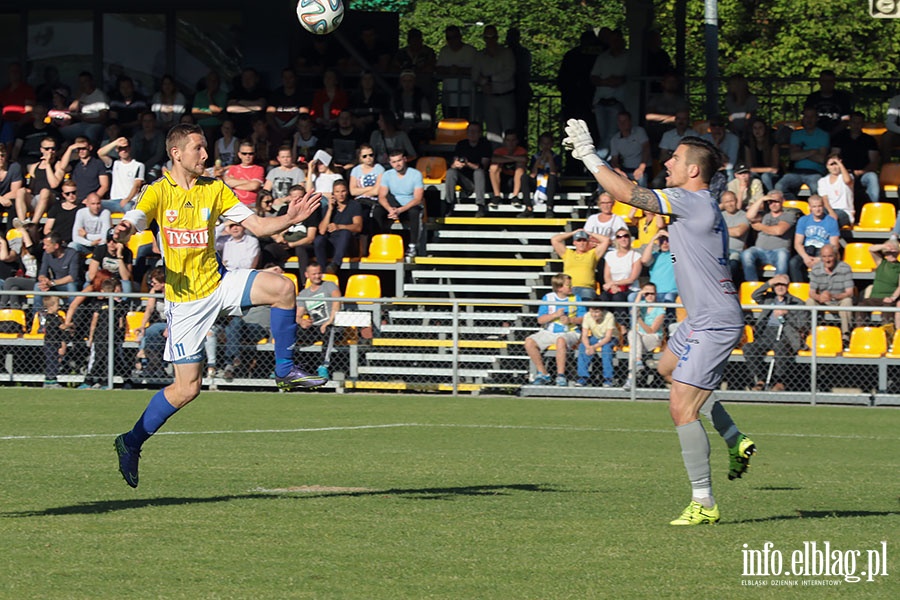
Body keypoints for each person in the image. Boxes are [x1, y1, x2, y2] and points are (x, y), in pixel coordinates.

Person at [112, 122, 327, 489]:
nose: (206, 155)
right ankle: (130, 442)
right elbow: (136, 216)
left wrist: (290, 218)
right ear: (177, 153)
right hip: (186, 303)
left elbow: (257, 225)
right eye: (198, 148)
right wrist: (124, 229)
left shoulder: (215, 189)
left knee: (283, 287)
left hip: (220, 282)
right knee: (186, 390)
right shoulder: (158, 192)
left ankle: (285, 369)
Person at [564, 119, 756, 524]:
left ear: (693, 171)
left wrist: (588, 156)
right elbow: (630, 188)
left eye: (676, 157)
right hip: (700, 318)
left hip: (714, 321)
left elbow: (625, 194)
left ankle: (704, 503)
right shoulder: (699, 202)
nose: (668, 161)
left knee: (681, 410)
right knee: (667, 369)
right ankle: (734, 437)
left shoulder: (691, 200)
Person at [743, 274, 806, 392]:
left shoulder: (797, 303)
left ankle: (779, 380)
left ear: (787, 286)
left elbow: (801, 325)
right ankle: (761, 379)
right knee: (749, 348)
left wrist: (788, 314)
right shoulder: (768, 299)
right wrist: (769, 282)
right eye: (777, 284)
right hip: (766, 333)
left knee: (780, 347)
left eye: (782, 284)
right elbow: (754, 295)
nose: (780, 287)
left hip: (786, 334)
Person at [524, 273, 585, 387]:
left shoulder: (576, 298)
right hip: (549, 332)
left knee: (561, 340)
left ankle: (560, 375)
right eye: (568, 285)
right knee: (529, 342)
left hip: (570, 332)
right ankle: (543, 373)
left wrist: (570, 319)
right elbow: (541, 320)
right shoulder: (548, 298)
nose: (571, 287)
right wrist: (555, 315)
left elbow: (583, 319)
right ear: (559, 288)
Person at [374, 149, 424, 259]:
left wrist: (400, 210)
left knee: (414, 212)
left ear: (405, 160)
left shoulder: (416, 174)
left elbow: (417, 199)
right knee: (377, 211)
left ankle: (412, 246)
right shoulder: (387, 175)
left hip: (408, 207)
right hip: (393, 207)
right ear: (390, 163)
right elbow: (381, 197)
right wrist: (390, 210)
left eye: (399, 160)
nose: (397, 164)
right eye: (394, 162)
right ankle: (380, 242)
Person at [295, 263, 342, 380]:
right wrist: (301, 321)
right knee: (290, 331)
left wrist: (329, 321)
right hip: (315, 327)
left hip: (331, 325)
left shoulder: (329, 285)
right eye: (314, 274)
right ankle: (287, 367)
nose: (317, 276)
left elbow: (337, 300)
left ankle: (323, 367)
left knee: (329, 330)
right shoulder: (304, 294)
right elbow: (297, 314)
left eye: (319, 273)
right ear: (307, 275)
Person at [472, 24, 516, 144]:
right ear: (484, 39)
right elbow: (474, 75)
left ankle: (510, 160)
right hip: (488, 98)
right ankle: (496, 160)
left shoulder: (507, 53)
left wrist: (490, 78)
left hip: (506, 96)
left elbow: (509, 73)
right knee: (492, 133)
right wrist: (483, 83)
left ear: (497, 38)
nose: (490, 41)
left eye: (492, 37)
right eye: (487, 37)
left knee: (509, 132)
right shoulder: (479, 55)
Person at [81, 277, 128, 389]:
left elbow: (121, 322)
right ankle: (89, 379)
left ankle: (105, 381)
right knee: (97, 358)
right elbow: (94, 320)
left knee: (109, 359)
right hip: (100, 337)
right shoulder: (99, 304)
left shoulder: (119, 306)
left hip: (113, 337)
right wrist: (91, 336)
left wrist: (120, 334)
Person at [740, 191, 796, 281]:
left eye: (776, 201)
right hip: (760, 251)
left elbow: (779, 231)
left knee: (782, 255)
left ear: (783, 201)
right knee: (746, 254)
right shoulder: (764, 215)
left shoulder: (789, 215)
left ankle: (779, 286)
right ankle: (753, 285)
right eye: (770, 202)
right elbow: (749, 216)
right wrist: (761, 199)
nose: (773, 204)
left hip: (778, 251)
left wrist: (761, 227)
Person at [590, 29, 629, 158]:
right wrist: (606, 81)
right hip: (601, 101)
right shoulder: (603, 57)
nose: (615, 43)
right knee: (604, 135)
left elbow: (630, 77)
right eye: (612, 40)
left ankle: (598, 162)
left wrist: (619, 80)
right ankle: (607, 166)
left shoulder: (628, 57)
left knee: (611, 135)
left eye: (618, 40)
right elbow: (593, 78)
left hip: (617, 102)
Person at [775, 107, 828, 198]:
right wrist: (812, 151)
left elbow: (821, 159)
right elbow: (793, 156)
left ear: (816, 118)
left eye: (812, 117)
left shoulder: (824, 135)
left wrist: (801, 152)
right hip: (796, 172)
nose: (809, 119)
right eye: (806, 117)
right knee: (779, 186)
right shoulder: (796, 134)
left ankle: (816, 211)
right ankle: (794, 208)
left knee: (817, 189)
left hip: (816, 173)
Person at [806, 244, 855, 340]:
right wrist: (819, 297)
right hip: (823, 301)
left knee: (847, 301)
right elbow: (811, 292)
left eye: (830, 256)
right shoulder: (816, 269)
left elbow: (850, 292)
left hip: (839, 301)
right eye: (824, 256)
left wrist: (832, 296)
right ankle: (811, 332)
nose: (827, 260)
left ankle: (846, 334)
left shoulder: (845, 268)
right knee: (810, 301)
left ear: (836, 256)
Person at [830, 111, 880, 205]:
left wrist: (861, 172)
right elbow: (834, 156)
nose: (856, 125)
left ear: (863, 124)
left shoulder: (870, 140)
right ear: (849, 123)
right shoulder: (840, 137)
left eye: (859, 122)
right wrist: (843, 171)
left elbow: (874, 162)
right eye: (853, 122)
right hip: (843, 173)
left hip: (864, 173)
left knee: (873, 177)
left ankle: (873, 207)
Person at [445, 121, 492, 217]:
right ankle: (449, 204)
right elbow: (454, 161)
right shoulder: (461, 144)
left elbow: (483, 166)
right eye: (470, 131)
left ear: (480, 133)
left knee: (478, 172)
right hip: (466, 182)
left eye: (475, 131)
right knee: (451, 172)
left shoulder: (485, 145)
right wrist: (455, 164)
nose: (472, 134)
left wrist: (468, 164)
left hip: (481, 182)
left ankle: (480, 205)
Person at [789, 195, 840, 283]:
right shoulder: (803, 220)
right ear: (810, 207)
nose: (817, 209)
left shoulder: (831, 221)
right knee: (793, 263)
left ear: (823, 206)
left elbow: (834, 246)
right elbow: (797, 243)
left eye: (819, 206)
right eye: (814, 206)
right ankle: (800, 289)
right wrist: (805, 257)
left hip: (824, 251)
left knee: (825, 264)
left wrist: (821, 258)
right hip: (807, 249)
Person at [624, 283, 666, 389]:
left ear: (656, 294)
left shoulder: (660, 309)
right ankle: (637, 364)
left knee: (634, 343)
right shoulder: (641, 304)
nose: (650, 296)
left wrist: (639, 319)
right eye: (647, 294)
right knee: (632, 334)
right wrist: (639, 295)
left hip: (653, 338)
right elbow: (633, 311)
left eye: (652, 293)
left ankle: (631, 377)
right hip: (639, 338)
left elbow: (651, 330)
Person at [15, 137, 65, 225]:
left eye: (53, 149)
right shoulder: (34, 166)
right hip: (36, 198)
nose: (50, 151)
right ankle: (22, 222)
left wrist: (48, 164)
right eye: (47, 149)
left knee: (44, 191)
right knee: (20, 191)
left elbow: (54, 184)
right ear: (41, 150)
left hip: (50, 198)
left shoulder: (58, 165)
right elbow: (32, 186)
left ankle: (33, 224)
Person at [315, 179, 362, 272]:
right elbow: (322, 231)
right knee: (319, 239)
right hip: (332, 242)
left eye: (343, 191)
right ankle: (322, 270)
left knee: (345, 233)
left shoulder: (354, 205)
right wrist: (330, 210)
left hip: (348, 243)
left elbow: (358, 227)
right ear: (333, 193)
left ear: (347, 191)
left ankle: (335, 264)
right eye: (337, 192)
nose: (340, 194)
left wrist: (339, 226)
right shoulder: (328, 208)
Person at [550, 229, 609, 301]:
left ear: (587, 242)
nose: (581, 243)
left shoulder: (593, 254)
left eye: (584, 240)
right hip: (569, 288)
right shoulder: (568, 253)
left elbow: (606, 240)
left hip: (586, 288)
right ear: (574, 242)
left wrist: (589, 232)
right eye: (579, 240)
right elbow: (554, 239)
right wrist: (573, 233)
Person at [856, 239, 900, 331]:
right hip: (875, 298)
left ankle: (888, 335)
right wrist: (885, 246)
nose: (891, 254)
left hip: (889, 298)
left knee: (887, 310)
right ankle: (861, 332)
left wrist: (892, 298)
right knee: (861, 306)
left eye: (894, 252)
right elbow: (871, 249)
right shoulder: (881, 262)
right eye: (888, 252)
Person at [435, 25, 477, 119]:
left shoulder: (471, 51)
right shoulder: (444, 51)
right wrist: (449, 70)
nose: (452, 41)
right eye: (449, 38)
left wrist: (460, 70)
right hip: (448, 99)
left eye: (455, 37)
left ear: (460, 37)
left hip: (467, 99)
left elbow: (477, 70)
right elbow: (438, 68)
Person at [651, 108, 698, 188]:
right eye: (679, 118)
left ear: (688, 121)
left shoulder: (695, 135)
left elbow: (696, 157)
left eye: (684, 119)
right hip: (669, 168)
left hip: (688, 169)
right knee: (656, 182)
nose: (681, 121)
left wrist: (671, 153)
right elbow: (663, 157)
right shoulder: (667, 135)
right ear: (675, 120)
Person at [98, 136, 146, 213]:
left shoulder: (139, 165)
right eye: (120, 148)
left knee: (128, 207)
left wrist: (127, 199)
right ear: (117, 150)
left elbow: (137, 186)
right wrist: (115, 142)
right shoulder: (114, 163)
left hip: (131, 201)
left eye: (126, 148)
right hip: (113, 201)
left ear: (130, 148)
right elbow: (100, 153)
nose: (123, 151)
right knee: (94, 204)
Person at [488, 129, 530, 215]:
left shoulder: (521, 150)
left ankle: (515, 196)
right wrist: (514, 158)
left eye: (513, 140)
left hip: (516, 180)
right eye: (508, 140)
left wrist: (504, 158)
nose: (510, 143)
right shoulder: (499, 151)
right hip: (502, 179)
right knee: (493, 167)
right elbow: (494, 159)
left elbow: (524, 159)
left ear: (517, 141)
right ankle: (497, 196)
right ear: (504, 141)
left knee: (520, 167)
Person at [575, 304, 617, 388]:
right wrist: (588, 346)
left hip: (611, 337)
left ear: (602, 311)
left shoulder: (609, 316)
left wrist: (594, 347)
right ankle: (583, 377)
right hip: (596, 336)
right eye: (592, 312)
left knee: (606, 349)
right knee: (582, 346)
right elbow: (584, 335)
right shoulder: (587, 316)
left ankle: (608, 379)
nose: (594, 315)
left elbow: (608, 337)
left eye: (597, 312)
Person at [804, 69, 853, 135]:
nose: (827, 84)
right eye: (825, 81)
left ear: (834, 82)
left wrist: (832, 134)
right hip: (815, 134)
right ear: (820, 82)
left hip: (838, 134)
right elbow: (805, 119)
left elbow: (845, 120)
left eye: (830, 81)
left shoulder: (842, 98)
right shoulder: (812, 98)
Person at [609, 110, 651, 187]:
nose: (622, 123)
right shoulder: (615, 139)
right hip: (626, 170)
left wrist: (641, 168)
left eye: (625, 121)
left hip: (643, 169)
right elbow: (614, 160)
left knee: (641, 180)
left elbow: (646, 149)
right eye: (620, 121)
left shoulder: (639, 132)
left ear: (630, 122)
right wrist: (619, 172)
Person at [62, 136, 110, 202]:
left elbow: (104, 186)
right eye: (78, 149)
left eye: (83, 148)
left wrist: (91, 200)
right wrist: (70, 149)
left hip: (93, 202)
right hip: (75, 200)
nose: (81, 151)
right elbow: (62, 167)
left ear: (90, 148)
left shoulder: (98, 163)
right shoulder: (74, 164)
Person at [720, 191, 750, 286]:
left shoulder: (744, 215)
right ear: (723, 204)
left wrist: (721, 229)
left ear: (736, 201)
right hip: (719, 251)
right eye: (726, 202)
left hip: (736, 252)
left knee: (732, 265)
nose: (730, 204)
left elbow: (738, 232)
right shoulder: (719, 216)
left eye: (731, 201)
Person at [528, 132, 562, 217]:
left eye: (548, 144)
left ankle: (549, 207)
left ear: (551, 144)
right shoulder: (535, 157)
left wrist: (550, 158)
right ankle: (528, 207)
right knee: (524, 177)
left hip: (551, 183)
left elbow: (553, 172)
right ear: (540, 144)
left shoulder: (556, 157)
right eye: (543, 144)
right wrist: (539, 160)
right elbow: (532, 174)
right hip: (538, 180)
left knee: (552, 177)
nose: (545, 146)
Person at [743, 118, 781, 192]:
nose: (757, 130)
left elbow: (775, 168)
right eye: (755, 128)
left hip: (770, 175)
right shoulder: (748, 145)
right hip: (757, 172)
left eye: (760, 127)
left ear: (765, 129)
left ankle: (771, 197)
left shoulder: (772, 144)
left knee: (765, 176)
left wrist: (769, 170)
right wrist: (768, 169)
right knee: (751, 175)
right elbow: (749, 167)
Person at [817, 153, 855, 228]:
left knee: (831, 221)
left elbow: (847, 181)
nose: (834, 167)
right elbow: (825, 199)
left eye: (836, 164)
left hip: (844, 211)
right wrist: (831, 212)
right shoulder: (822, 181)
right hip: (829, 210)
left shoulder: (848, 176)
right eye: (831, 164)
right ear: (827, 166)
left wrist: (839, 163)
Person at [641, 230, 678, 303]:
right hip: (654, 293)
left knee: (669, 297)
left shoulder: (673, 255)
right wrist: (652, 240)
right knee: (634, 297)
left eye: (667, 240)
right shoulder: (655, 255)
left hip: (671, 291)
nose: (665, 243)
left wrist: (671, 236)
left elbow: (676, 262)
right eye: (662, 240)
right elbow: (644, 261)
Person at [223, 140, 264, 207]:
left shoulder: (259, 169)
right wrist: (248, 182)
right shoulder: (233, 168)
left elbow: (254, 186)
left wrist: (234, 184)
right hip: (234, 203)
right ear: (239, 155)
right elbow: (227, 183)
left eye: (250, 154)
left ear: (254, 154)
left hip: (252, 204)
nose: (247, 156)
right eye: (244, 153)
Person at [40, 295, 68, 388]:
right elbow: (62, 327)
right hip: (51, 343)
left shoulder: (55, 317)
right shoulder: (52, 318)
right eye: (57, 305)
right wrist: (70, 324)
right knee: (52, 361)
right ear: (51, 306)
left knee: (54, 361)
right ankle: (50, 380)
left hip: (54, 342)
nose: (59, 307)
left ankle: (51, 379)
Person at [724, 74, 758, 139]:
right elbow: (729, 116)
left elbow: (751, 116)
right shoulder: (729, 99)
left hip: (748, 131)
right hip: (733, 129)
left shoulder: (751, 99)